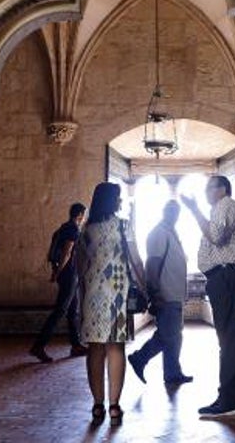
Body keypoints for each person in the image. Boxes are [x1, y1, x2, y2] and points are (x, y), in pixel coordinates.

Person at [179, 175, 235, 417]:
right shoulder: (227, 208)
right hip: (231, 276)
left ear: (222, 189)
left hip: (226, 277)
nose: (205, 192)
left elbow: (215, 236)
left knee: (229, 339)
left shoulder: (225, 206)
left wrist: (194, 210)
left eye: (208, 188)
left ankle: (229, 400)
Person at [77, 182, 146, 425]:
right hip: (118, 293)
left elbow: (80, 267)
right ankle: (114, 406)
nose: (120, 201)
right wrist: (146, 287)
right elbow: (135, 260)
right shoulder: (123, 226)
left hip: (92, 295)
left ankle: (98, 405)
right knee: (116, 347)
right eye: (118, 197)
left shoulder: (86, 229)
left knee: (95, 349)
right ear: (111, 200)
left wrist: (83, 296)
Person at [128, 200, 192, 387]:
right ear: (164, 211)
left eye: (176, 210)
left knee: (174, 336)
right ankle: (139, 358)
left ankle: (172, 373)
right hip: (166, 294)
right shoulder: (159, 233)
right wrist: (155, 294)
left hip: (174, 294)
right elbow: (152, 265)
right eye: (170, 210)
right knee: (167, 335)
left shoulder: (171, 232)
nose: (174, 213)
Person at [29, 202, 88, 363]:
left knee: (72, 311)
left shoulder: (63, 228)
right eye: (84, 214)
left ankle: (76, 345)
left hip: (67, 274)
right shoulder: (73, 229)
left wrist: (56, 271)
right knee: (60, 310)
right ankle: (38, 346)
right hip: (69, 274)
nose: (84, 218)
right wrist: (59, 272)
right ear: (80, 215)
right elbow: (67, 252)